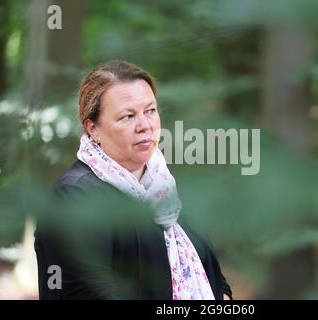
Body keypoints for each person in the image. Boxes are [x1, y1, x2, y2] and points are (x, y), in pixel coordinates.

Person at [34, 60, 233, 300]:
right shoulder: (74, 196)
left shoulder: (167, 185)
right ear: (93, 127)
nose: (145, 126)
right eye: (128, 116)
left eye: (150, 111)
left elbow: (213, 275)